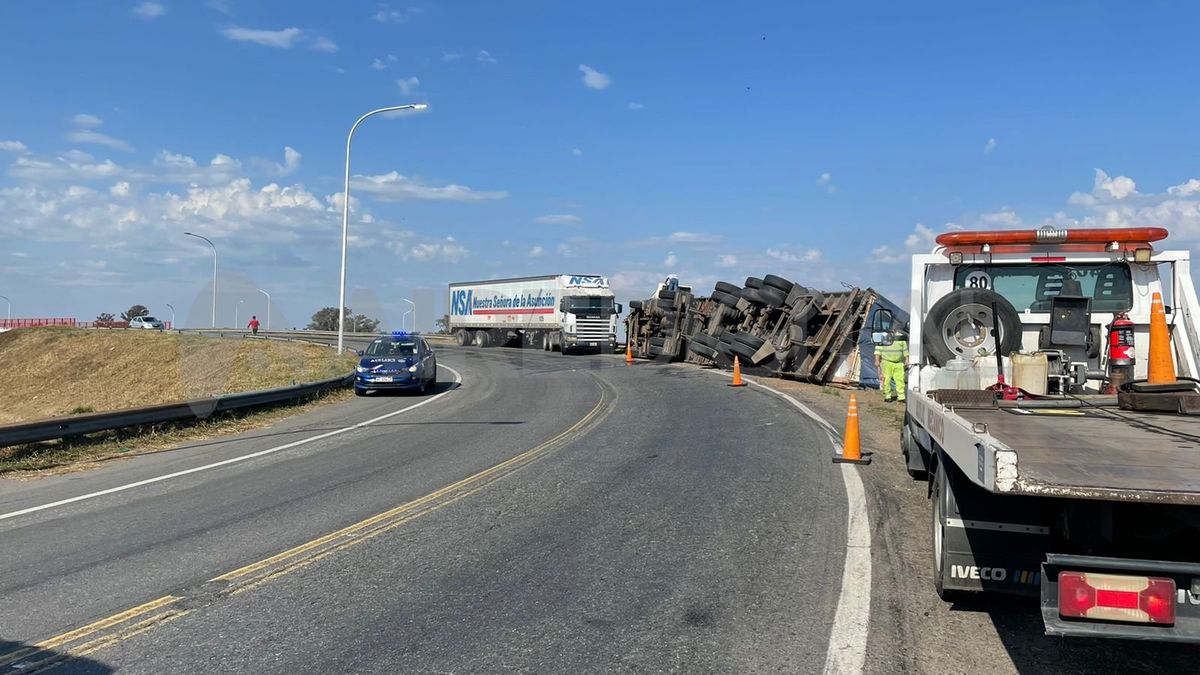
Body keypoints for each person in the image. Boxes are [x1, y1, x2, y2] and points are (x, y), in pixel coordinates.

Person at [875, 329, 908, 402]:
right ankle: (888, 396)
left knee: (900, 380)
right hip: (886, 362)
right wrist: (877, 360)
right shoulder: (884, 337)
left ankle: (901, 397)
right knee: (886, 380)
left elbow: (905, 349)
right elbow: (878, 350)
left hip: (898, 363)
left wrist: (907, 359)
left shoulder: (901, 338)